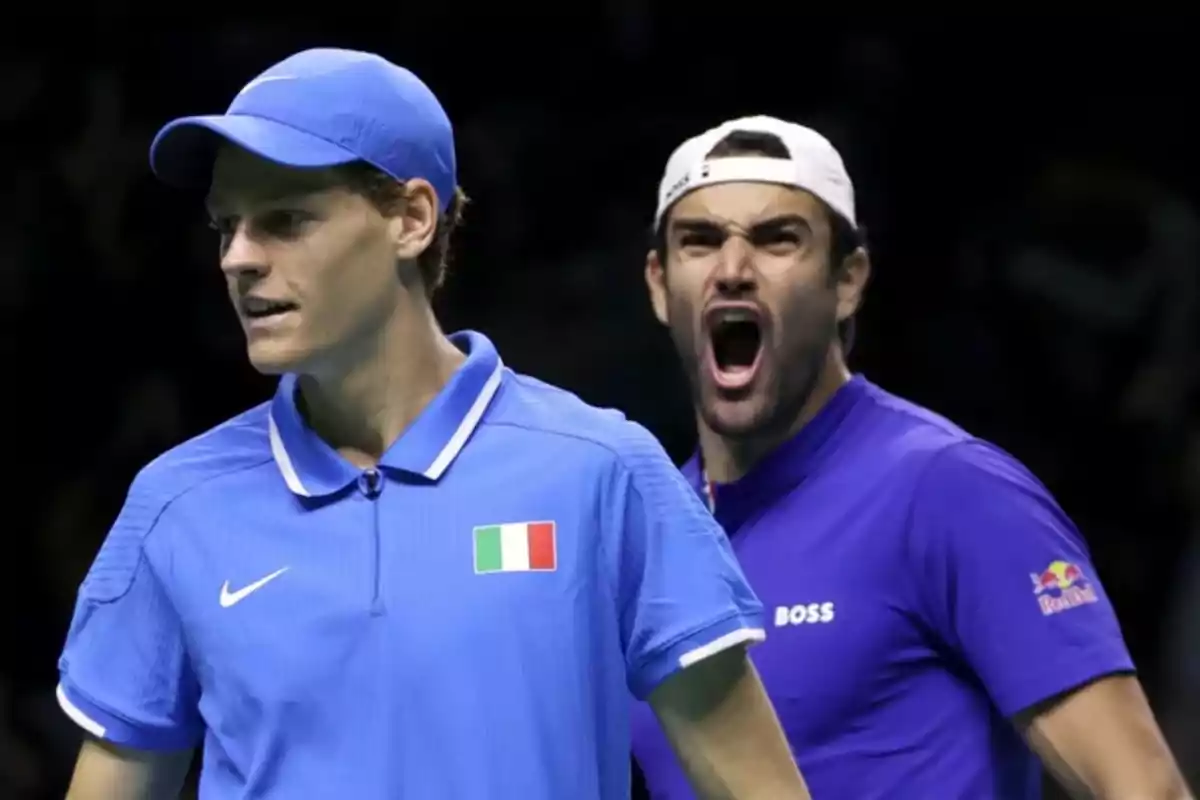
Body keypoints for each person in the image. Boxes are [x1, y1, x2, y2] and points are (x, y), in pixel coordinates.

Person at [55, 51, 811, 800]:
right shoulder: (176, 507)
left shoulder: (600, 471)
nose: (239, 259)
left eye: (285, 220)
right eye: (228, 226)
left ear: (412, 219)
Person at [630, 114, 1193, 799]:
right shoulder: (652, 535)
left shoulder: (952, 491)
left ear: (848, 280)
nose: (734, 270)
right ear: (660, 283)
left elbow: (1143, 789)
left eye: (779, 239)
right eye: (701, 241)